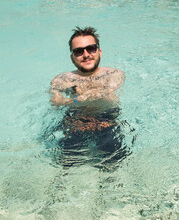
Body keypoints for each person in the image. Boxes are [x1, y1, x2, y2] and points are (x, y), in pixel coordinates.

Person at [48, 26, 129, 169]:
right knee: (67, 165)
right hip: (76, 121)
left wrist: (74, 98)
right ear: (72, 58)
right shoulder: (62, 78)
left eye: (91, 48)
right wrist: (78, 98)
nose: (86, 54)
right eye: (79, 51)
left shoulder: (114, 73)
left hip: (106, 120)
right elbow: (55, 102)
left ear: (99, 52)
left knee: (113, 164)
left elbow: (104, 94)